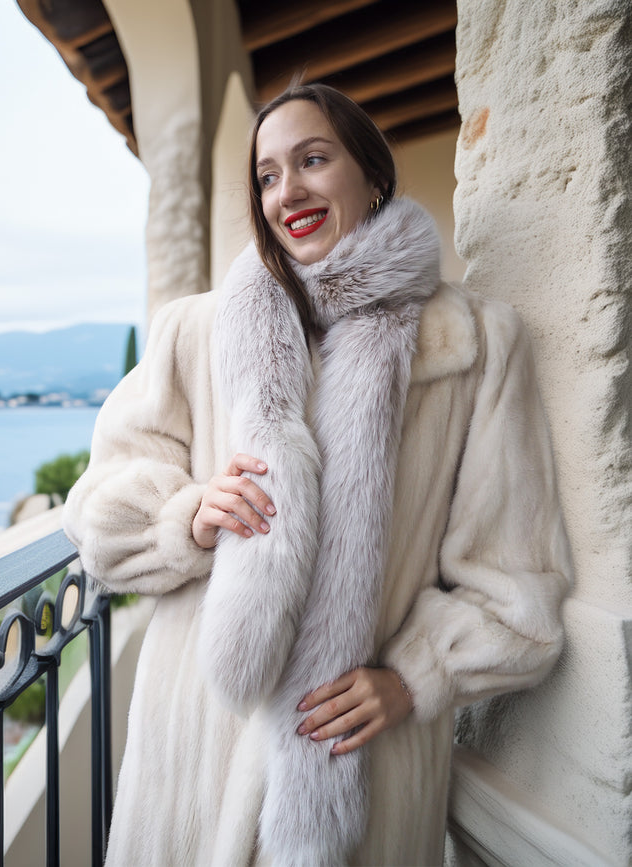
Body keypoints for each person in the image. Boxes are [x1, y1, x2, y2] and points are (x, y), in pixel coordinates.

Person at [63, 84, 571, 866]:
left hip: (371, 784)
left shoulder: (473, 345)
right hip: (193, 765)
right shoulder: (196, 332)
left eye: (311, 159)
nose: (286, 191)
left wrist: (415, 676)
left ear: (372, 175)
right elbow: (95, 511)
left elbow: (518, 591)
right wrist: (187, 516)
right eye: (266, 174)